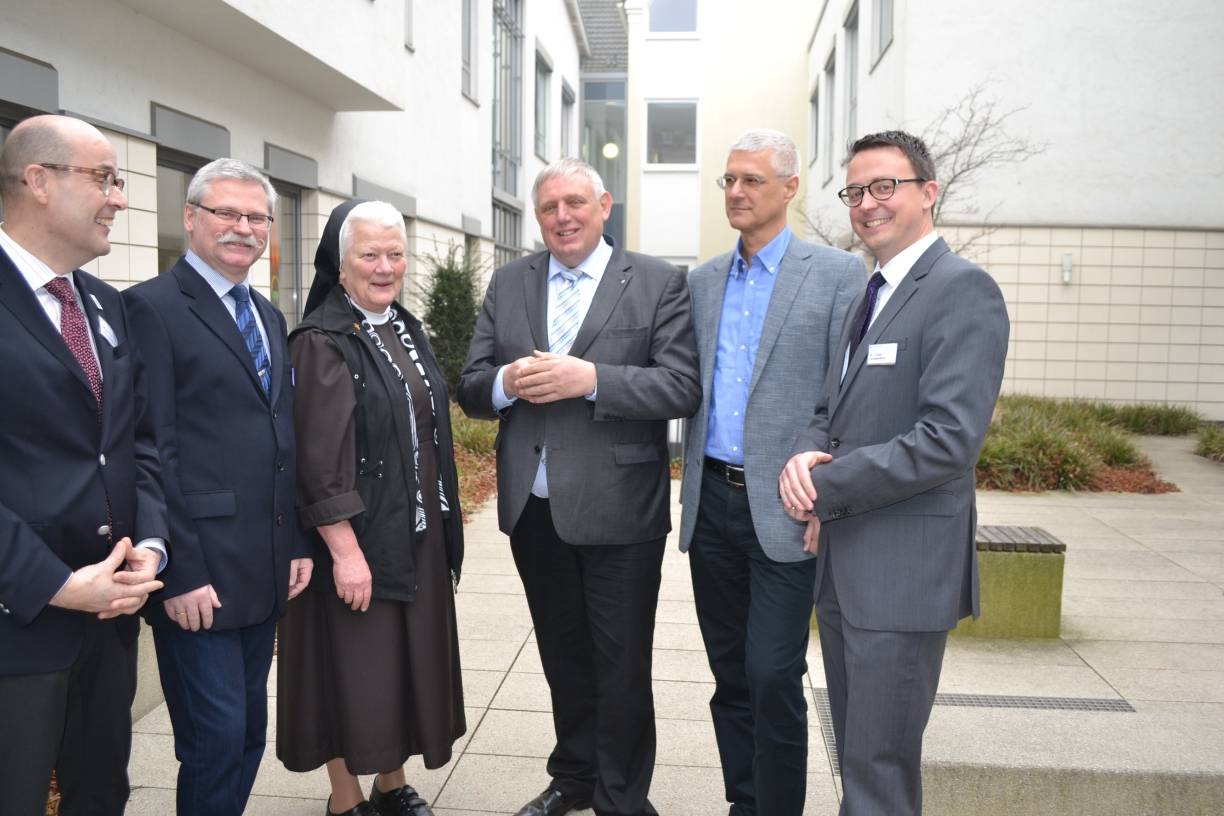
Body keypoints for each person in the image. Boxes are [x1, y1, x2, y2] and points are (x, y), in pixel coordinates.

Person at [458, 157, 701, 816]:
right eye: (548, 208)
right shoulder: (510, 282)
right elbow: (472, 381)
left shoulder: (656, 282)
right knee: (563, 656)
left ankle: (622, 797)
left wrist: (590, 379)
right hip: (535, 509)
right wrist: (506, 382)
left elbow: (681, 386)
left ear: (603, 205)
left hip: (621, 510)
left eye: (574, 202)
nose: (562, 217)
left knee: (620, 664)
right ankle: (573, 776)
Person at [778, 130, 1010, 816]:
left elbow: (947, 441)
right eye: (856, 191)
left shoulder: (963, 291)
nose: (868, 203)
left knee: (878, 771)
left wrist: (827, 484)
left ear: (928, 193)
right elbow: (831, 409)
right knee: (861, 759)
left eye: (886, 186)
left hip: (902, 573)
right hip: (849, 563)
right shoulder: (869, 293)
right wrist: (801, 455)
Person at [678, 129, 864, 816]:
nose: (735, 192)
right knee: (730, 675)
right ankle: (744, 803)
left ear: (789, 188)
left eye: (751, 180)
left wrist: (831, 494)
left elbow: (847, 398)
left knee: (774, 672)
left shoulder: (838, 277)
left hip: (787, 510)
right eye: (728, 180)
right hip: (711, 508)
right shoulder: (699, 283)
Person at [122, 158, 312, 815]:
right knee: (215, 736)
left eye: (256, 216)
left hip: (262, 565)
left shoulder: (266, 314)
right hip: (197, 572)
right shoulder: (149, 308)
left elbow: (281, 439)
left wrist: (297, 542)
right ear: (190, 218)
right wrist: (178, 573)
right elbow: (149, 448)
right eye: (226, 213)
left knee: (248, 733)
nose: (243, 227)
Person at [0, 114, 167, 816]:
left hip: (112, 619)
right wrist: (56, 584)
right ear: (38, 181)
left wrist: (151, 546)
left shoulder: (102, 303)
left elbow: (137, 441)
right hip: (21, 624)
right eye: (104, 178)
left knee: (101, 793)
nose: (119, 198)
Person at [277, 199, 465, 816]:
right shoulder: (320, 339)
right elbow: (319, 459)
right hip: (355, 543)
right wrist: (345, 552)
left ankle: (390, 784)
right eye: (370, 255)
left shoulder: (402, 326)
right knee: (351, 674)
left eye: (396, 254)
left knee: (397, 672)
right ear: (339, 261)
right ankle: (345, 797)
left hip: (412, 533)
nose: (386, 268)